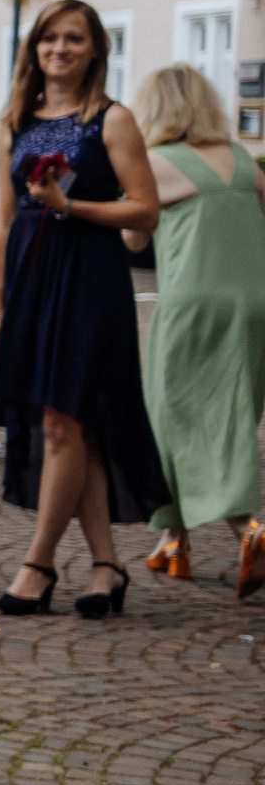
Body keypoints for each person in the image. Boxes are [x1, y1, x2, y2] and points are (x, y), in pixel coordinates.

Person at [0, 0, 167, 619]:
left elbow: (145, 210)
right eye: (49, 39)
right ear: (34, 48)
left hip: (91, 282)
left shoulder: (111, 120)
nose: (59, 49)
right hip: (33, 285)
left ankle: (37, 565)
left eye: (73, 39)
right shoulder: (14, 122)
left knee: (62, 424)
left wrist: (73, 208)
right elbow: (5, 221)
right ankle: (106, 566)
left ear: (94, 50)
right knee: (73, 425)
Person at [126, 63, 265, 597]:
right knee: (231, 414)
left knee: (177, 414)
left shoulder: (156, 163)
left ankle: (248, 529)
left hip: (193, 304)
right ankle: (173, 541)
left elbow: (134, 243)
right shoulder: (244, 159)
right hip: (252, 305)